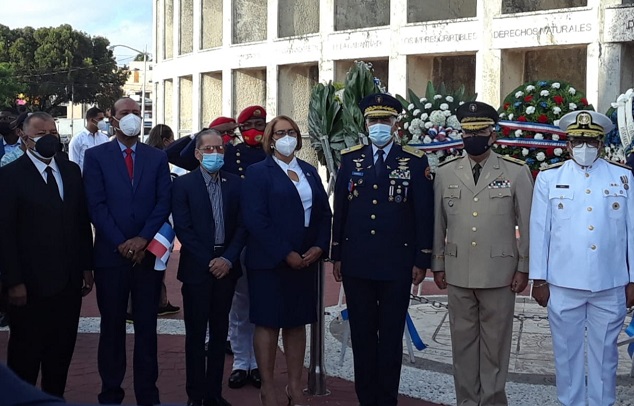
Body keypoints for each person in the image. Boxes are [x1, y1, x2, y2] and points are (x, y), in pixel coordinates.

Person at [331, 93, 433, 406]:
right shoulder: (350, 159)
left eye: (384, 120)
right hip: (357, 263)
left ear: (395, 123)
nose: (379, 126)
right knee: (362, 336)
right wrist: (336, 254)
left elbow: (423, 213)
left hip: (397, 264)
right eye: (373, 120)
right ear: (365, 123)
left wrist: (422, 258)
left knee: (389, 338)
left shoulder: (414, 161)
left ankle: (387, 399)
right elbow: (341, 212)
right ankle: (366, 398)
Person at [432, 101, 533, 406]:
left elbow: (527, 223)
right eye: (467, 132)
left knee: (495, 348)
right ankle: (466, 401)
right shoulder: (446, 172)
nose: (473, 137)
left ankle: (491, 401)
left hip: (500, 274)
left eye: (480, 131)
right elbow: (438, 222)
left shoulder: (516, 172)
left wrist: (524, 267)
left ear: (492, 135)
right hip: (458, 270)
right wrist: (437, 262)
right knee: (462, 347)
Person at [530, 110, 634, 406]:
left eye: (591, 141)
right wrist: (539, 279)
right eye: (578, 140)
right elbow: (540, 230)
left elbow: (633, 230)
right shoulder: (550, 178)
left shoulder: (622, 177)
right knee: (566, 354)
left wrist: (633, 279)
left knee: (605, 356)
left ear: (601, 144)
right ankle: (570, 402)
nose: (584, 147)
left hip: (610, 283)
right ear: (567, 144)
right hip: (563, 283)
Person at [83, 97, 172, 405]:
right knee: (112, 328)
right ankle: (111, 393)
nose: (132, 117)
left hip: (146, 256)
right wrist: (121, 241)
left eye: (136, 112)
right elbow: (96, 205)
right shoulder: (95, 157)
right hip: (111, 255)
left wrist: (143, 239)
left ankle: (148, 394)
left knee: (147, 329)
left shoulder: (157, 157)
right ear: (114, 119)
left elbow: (163, 202)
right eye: (125, 113)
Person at [0, 112, 94, 398]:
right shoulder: (9, 176)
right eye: (41, 134)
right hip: (28, 287)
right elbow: (4, 233)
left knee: (60, 354)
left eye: (53, 132)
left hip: (67, 283)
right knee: (25, 356)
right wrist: (13, 281)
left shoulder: (70, 171)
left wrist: (86, 268)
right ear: (25, 139)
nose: (49, 138)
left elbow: (80, 222)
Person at [242, 115, 332, 406]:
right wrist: (285, 253)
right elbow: (256, 219)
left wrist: (319, 245)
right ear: (270, 138)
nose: (286, 137)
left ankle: (295, 387)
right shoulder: (258, 172)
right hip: (270, 261)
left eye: (291, 132)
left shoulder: (307, 170)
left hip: (306, 260)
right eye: (280, 132)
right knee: (268, 323)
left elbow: (322, 214)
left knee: (296, 323)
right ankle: (268, 387)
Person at [172, 129, 247, 406]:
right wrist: (209, 261)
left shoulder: (236, 184)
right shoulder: (183, 185)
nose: (215, 154)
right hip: (197, 269)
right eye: (209, 149)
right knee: (195, 335)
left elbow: (242, 226)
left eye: (220, 149)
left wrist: (227, 259)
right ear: (198, 153)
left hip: (226, 268)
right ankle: (196, 395)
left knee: (219, 333)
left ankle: (214, 394)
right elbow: (184, 229)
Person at [226, 106, 268, 389]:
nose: (255, 128)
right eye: (249, 124)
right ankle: (242, 361)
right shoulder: (229, 154)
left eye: (260, 123)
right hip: (236, 237)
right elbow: (179, 156)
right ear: (239, 130)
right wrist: (216, 132)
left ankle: (259, 364)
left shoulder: (274, 153)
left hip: (265, 241)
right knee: (239, 305)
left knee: (262, 305)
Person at [144, 123, 181, 317]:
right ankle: (157, 301)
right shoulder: (160, 158)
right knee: (157, 263)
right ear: (166, 141)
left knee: (154, 263)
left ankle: (160, 300)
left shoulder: (147, 155)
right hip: (159, 221)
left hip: (153, 220)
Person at [68, 107, 108, 172]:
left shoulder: (104, 138)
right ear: (92, 120)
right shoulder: (77, 139)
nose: (103, 122)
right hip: (84, 179)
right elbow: (73, 164)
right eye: (100, 119)